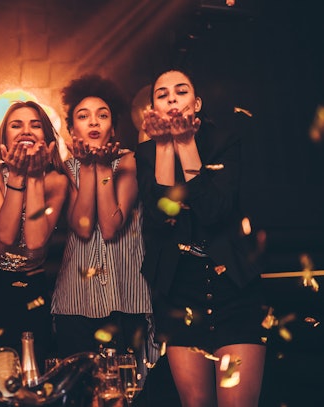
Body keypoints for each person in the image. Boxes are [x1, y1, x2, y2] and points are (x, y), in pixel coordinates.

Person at [135, 69, 267, 407]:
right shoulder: (147, 154)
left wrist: (186, 143)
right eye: (162, 95)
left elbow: (213, 211)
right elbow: (164, 216)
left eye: (180, 92)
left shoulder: (224, 141)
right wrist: (166, 144)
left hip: (233, 286)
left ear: (196, 103)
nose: (172, 99)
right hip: (180, 291)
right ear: (154, 110)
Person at [50, 74, 155, 373]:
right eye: (83, 117)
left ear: (113, 127)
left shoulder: (130, 162)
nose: (94, 122)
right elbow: (83, 227)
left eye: (102, 115)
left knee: (130, 390)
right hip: (75, 300)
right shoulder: (65, 171)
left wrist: (104, 167)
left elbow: (110, 226)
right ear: (72, 129)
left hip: (127, 297)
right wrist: (86, 166)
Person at [0, 100, 68, 367]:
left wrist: (36, 176)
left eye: (35, 125)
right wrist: (16, 176)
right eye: (16, 125)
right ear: (4, 139)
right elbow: (3, 241)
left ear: (48, 138)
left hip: (34, 292)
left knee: (34, 378)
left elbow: (35, 242)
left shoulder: (56, 181)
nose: (26, 130)